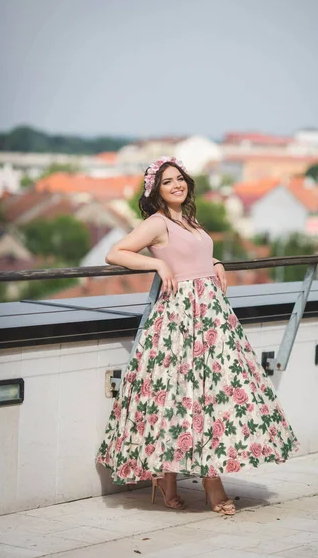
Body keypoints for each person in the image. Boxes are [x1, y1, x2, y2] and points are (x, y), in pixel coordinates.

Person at [96, 156, 299, 516]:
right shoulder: (157, 222)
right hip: (179, 318)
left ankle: (173, 477)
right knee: (180, 395)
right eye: (166, 182)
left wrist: (216, 263)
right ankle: (204, 481)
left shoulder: (189, 220)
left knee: (213, 396)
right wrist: (158, 263)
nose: (176, 185)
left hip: (213, 318)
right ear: (155, 192)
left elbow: (198, 255)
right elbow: (116, 253)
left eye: (179, 179)